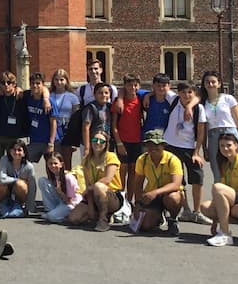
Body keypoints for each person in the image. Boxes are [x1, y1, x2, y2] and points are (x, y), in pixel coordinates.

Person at [162, 82, 210, 224]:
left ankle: (197, 212)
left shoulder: (199, 108)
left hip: (189, 147)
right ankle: (186, 210)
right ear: (178, 93)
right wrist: (149, 95)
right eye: (183, 92)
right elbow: (160, 89)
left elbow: (201, 132)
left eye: (190, 92)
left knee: (197, 178)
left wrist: (197, 152)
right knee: (178, 180)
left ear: (194, 93)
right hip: (171, 145)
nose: (186, 95)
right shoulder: (174, 100)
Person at [66, 129, 123, 232]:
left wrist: (90, 189)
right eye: (95, 140)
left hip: (112, 196)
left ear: (106, 144)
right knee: (74, 218)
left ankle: (103, 219)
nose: (98, 143)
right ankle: (97, 215)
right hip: (93, 194)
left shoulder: (111, 157)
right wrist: (91, 206)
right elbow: (88, 184)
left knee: (98, 186)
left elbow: (107, 179)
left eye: (101, 141)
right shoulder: (86, 160)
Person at [199, 70, 238, 184]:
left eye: (213, 82)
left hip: (230, 133)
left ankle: (237, 191)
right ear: (204, 84)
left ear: (219, 84)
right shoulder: (203, 103)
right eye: (207, 82)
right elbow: (204, 128)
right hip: (213, 137)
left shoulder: (228, 99)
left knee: (236, 166)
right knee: (217, 169)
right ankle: (220, 191)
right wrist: (204, 148)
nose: (210, 84)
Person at [130, 129, 183, 235]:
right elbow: (138, 183)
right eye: (149, 145)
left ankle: (173, 220)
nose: (153, 148)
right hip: (151, 196)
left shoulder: (172, 160)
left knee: (173, 198)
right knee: (145, 226)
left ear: (163, 145)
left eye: (157, 145)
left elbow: (176, 184)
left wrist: (155, 192)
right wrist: (138, 203)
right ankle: (158, 217)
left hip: (168, 193)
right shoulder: (142, 159)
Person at [0, 70, 30, 173]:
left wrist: (19, 89)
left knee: (15, 163)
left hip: (14, 136)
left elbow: (41, 90)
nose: (6, 85)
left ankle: (14, 182)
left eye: (9, 82)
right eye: (3, 83)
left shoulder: (20, 96)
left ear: (14, 84)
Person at [111, 73, 143, 203]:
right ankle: (121, 200)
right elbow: (114, 126)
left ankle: (129, 201)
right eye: (130, 85)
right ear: (125, 86)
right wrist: (119, 143)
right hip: (123, 141)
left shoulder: (141, 100)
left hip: (137, 141)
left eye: (135, 85)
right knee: (121, 172)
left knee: (133, 172)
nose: (133, 88)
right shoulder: (118, 102)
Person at [0, 139, 37, 217]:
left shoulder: (29, 166)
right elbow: (1, 179)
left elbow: (32, 187)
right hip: (7, 190)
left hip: (20, 193)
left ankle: (18, 205)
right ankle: (4, 203)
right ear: (10, 151)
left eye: (19, 150)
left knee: (21, 184)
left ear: (24, 153)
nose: (16, 152)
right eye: (14, 149)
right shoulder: (4, 159)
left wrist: (29, 207)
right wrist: (16, 180)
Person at [39, 150, 82, 223]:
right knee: (42, 180)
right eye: (50, 164)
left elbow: (69, 202)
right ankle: (51, 211)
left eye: (55, 163)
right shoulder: (54, 176)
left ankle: (65, 218)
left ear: (61, 164)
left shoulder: (68, 177)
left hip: (72, 204)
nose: (53, 166)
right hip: (62, 201)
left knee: (51, 217)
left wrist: (60, 192)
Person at [49, 69, 79, 170]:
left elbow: (75, 118)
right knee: (53, 160)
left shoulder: (73, 97)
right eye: (56, 79)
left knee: (66, 161)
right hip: (53, 130)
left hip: (67, 131)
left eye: (61, 79)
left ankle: (67, 179)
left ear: (66, 81)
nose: (59, 82)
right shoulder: (49, 95)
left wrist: (75, 140)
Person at [23, 72, 56, 164]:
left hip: (47, 140)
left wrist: (51, 143)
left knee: (51, 166)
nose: (35, 86)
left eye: (38, 83)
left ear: (43, 85)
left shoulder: (49, 102)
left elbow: (53, 123)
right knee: (24, 161)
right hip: (34, 139)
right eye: (32, 83)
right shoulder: (28, 97)